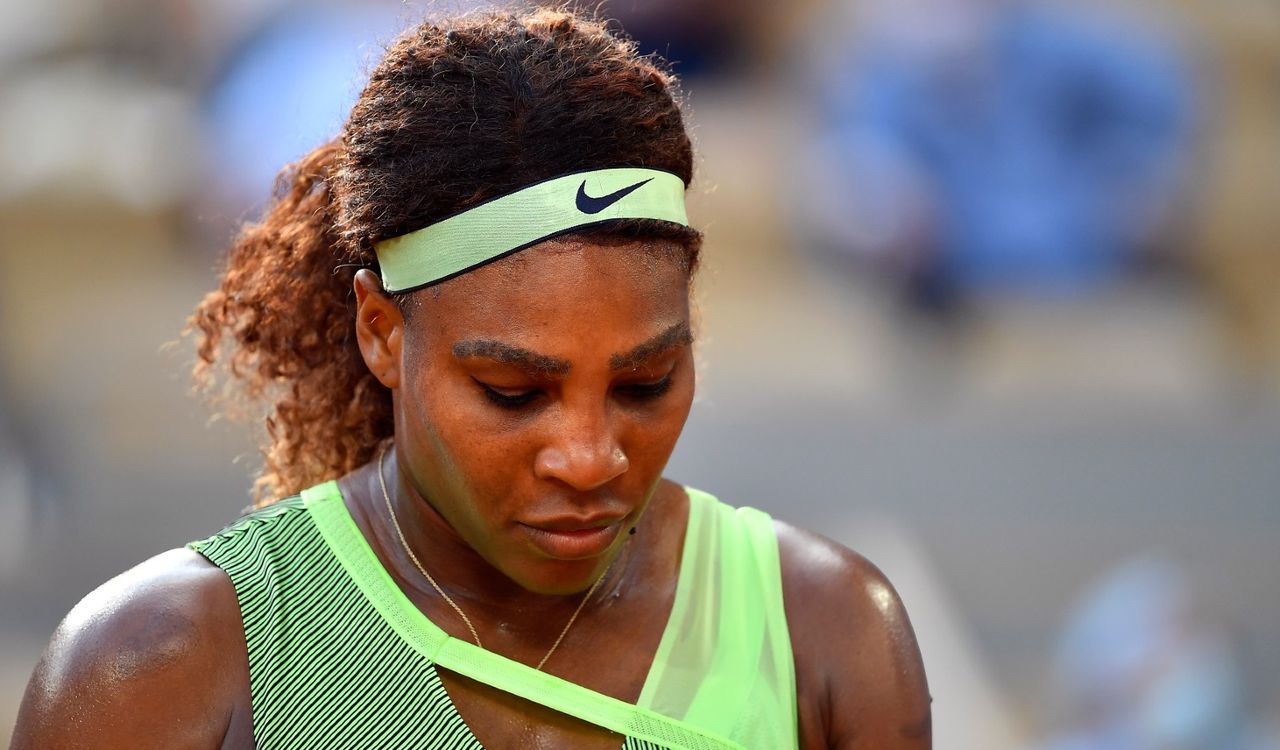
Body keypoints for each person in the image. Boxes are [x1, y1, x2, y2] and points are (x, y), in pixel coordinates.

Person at [12, 8, 930, 749]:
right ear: (381, 332)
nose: (588, 457)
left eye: (645, 381)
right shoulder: (161, 664)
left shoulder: (827, 632)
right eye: (514, 392)